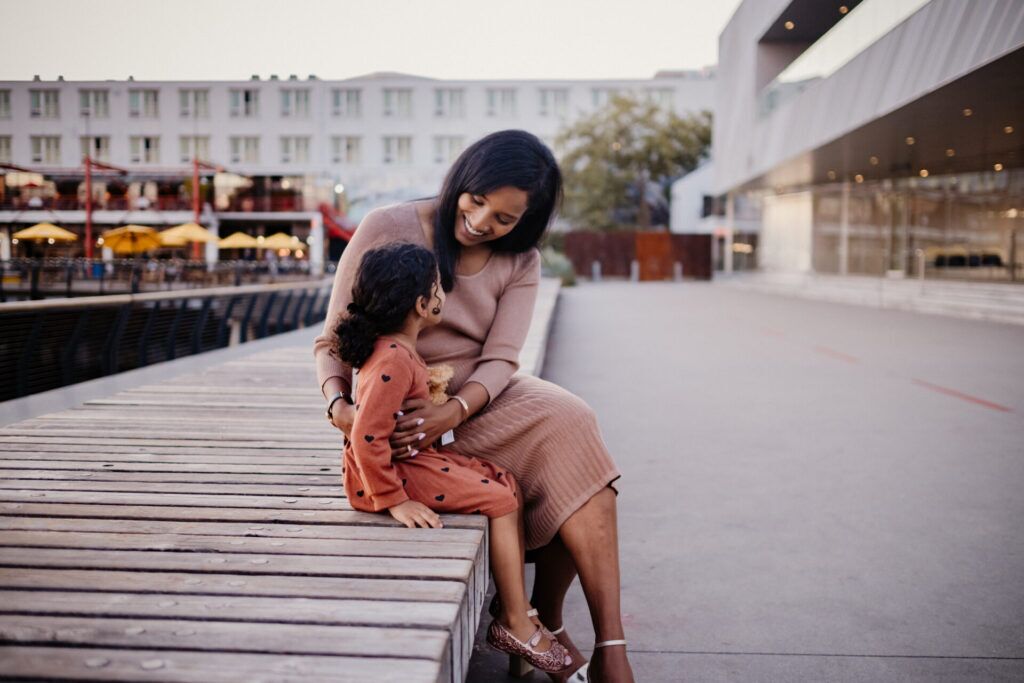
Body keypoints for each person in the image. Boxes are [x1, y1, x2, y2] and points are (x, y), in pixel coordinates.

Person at [313, 129, 634, 682]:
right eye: (477, 199)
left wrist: (456, 410)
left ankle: (605, 642)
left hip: (476, 401)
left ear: (524, 223)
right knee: (565, 463)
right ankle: (536, 629)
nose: (483, 222)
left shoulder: (521, 261)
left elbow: (502, 360)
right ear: (463, 179)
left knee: (575, 433)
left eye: (504, 218)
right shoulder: (387, 226)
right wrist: (339, 406)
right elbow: (333, 340)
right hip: (398, 407)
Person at [335, 241, 574, 673]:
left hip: (409, 463)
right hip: (391, 476)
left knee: (503, 479)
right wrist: (394, 499)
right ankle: (516, 623)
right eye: (437, 288)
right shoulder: (391, 358)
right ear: (422, 304)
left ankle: (513, 603)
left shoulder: (399, 351)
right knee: (500, 501)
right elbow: (367, 436)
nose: (444, 295)